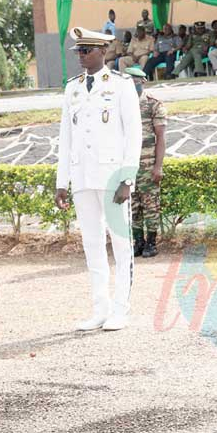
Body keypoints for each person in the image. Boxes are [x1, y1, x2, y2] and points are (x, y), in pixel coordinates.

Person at [55, 27, 142, 332]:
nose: (81, 56)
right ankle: (100, 309)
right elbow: (66, 136)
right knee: (92, 244)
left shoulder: (120, 86)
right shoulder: (72, 88)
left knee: (121, 244)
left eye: (87, 50)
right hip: (82, 177)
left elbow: (134, 134)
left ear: (102, 52)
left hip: (112, 176)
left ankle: (121, 309)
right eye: (78, 51)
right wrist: (61, 182)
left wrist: (127, 179)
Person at [124, 68, 167, 258]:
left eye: (135, 81)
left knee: (151, 205)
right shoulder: (121, 105)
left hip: (148, 164)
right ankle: (138, 242)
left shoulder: (153, 105)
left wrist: (158, 166)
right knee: (132, 206)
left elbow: (161, 137)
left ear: (143, 81)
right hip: (128, 166)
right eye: (128, 81)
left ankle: (151, 243)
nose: (132, 84)